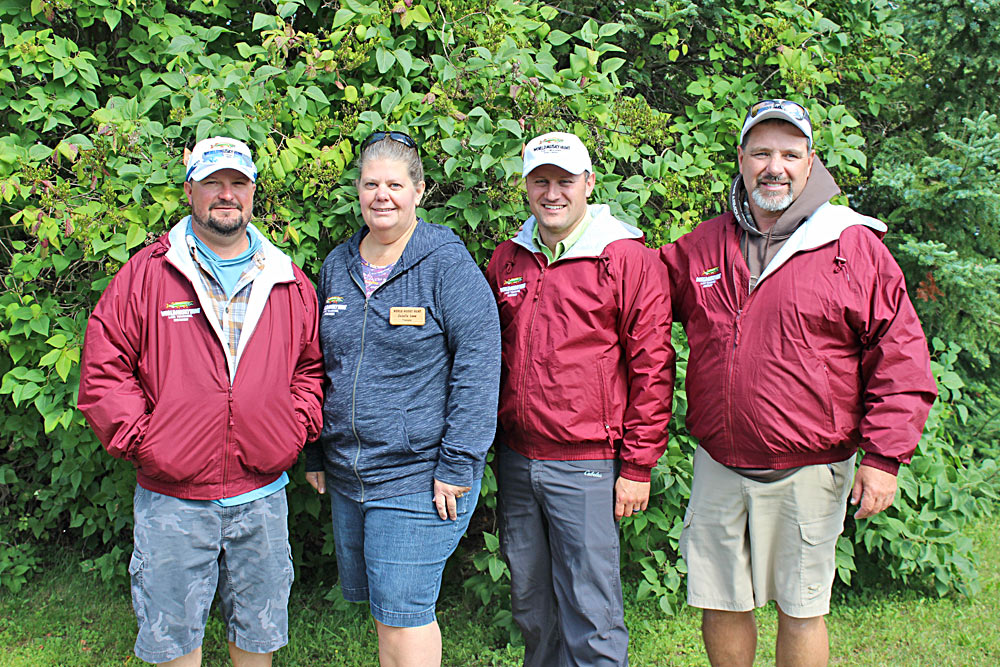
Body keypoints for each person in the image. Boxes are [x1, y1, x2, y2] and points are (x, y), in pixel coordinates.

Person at [660, 99, 938, 667]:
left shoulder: (851, 245)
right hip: (720, 463)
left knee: (802, 608)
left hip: (809, 469)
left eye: (790, 154)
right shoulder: (703, 245)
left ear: (811, 163)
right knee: (720, 601)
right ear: (741, 159)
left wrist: (884, 458)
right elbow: (633, 296)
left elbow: (901, 354)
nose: (774, 167)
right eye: (761, 153)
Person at [78, 136, 324, 666]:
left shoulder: (286, 278)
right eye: (213, 182)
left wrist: (293, 428)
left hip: (261, 494)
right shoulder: (149, 273)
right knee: (173, 643)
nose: (226, 194)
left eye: (238, 183)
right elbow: (103, 369)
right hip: (173, 497)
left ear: (253, 192)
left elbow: (309, 369)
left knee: (258, 639)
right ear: (190, 190)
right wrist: (147, 441)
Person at [303, 130, 501, 667]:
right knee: (386, 610)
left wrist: (458, 463)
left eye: (394, 184)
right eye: (371, 184)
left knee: (404, 614)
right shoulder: (337, 265)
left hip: (419, 475)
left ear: (419, 191)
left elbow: (480, 366)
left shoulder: (446, 265)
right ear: (358, 191)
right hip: (350, 473)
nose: (381, 195)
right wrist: (316, 450)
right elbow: (318, 364)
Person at [485, 131, 674, 667]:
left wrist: (637, 465)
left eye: (565, 181)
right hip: (518, 460)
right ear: (525, 187)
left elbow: (653, 367)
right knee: (531, 606)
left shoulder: (626, 258)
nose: (553, 193)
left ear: (589, 183)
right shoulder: (509, 260)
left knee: (591, 612)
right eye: (540, 181)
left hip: (588, 461)